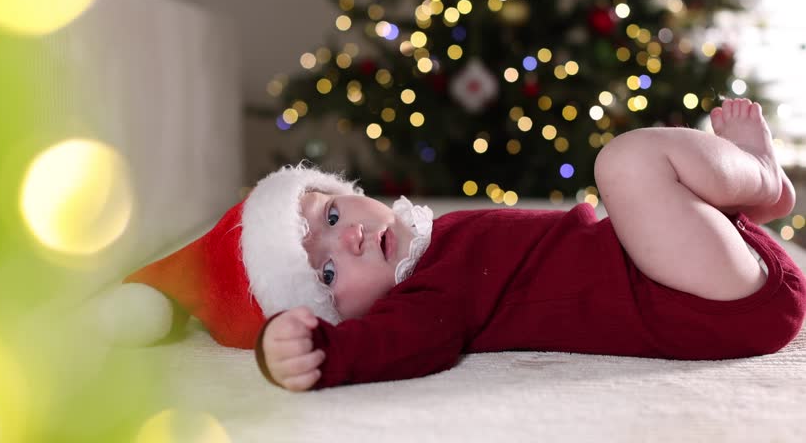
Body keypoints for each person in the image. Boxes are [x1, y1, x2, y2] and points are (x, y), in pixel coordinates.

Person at [255, 98, 806, 391]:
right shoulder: (423, 299)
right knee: (627, 164)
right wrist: (322, 353)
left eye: (330, 213)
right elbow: (402, 343)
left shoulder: (436, 236)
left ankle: (747, 191)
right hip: (702, 303)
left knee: (645, 186)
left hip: (711, 257)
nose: (346, 237)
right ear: (340, 313)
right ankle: (758, 178)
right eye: (326, 272)